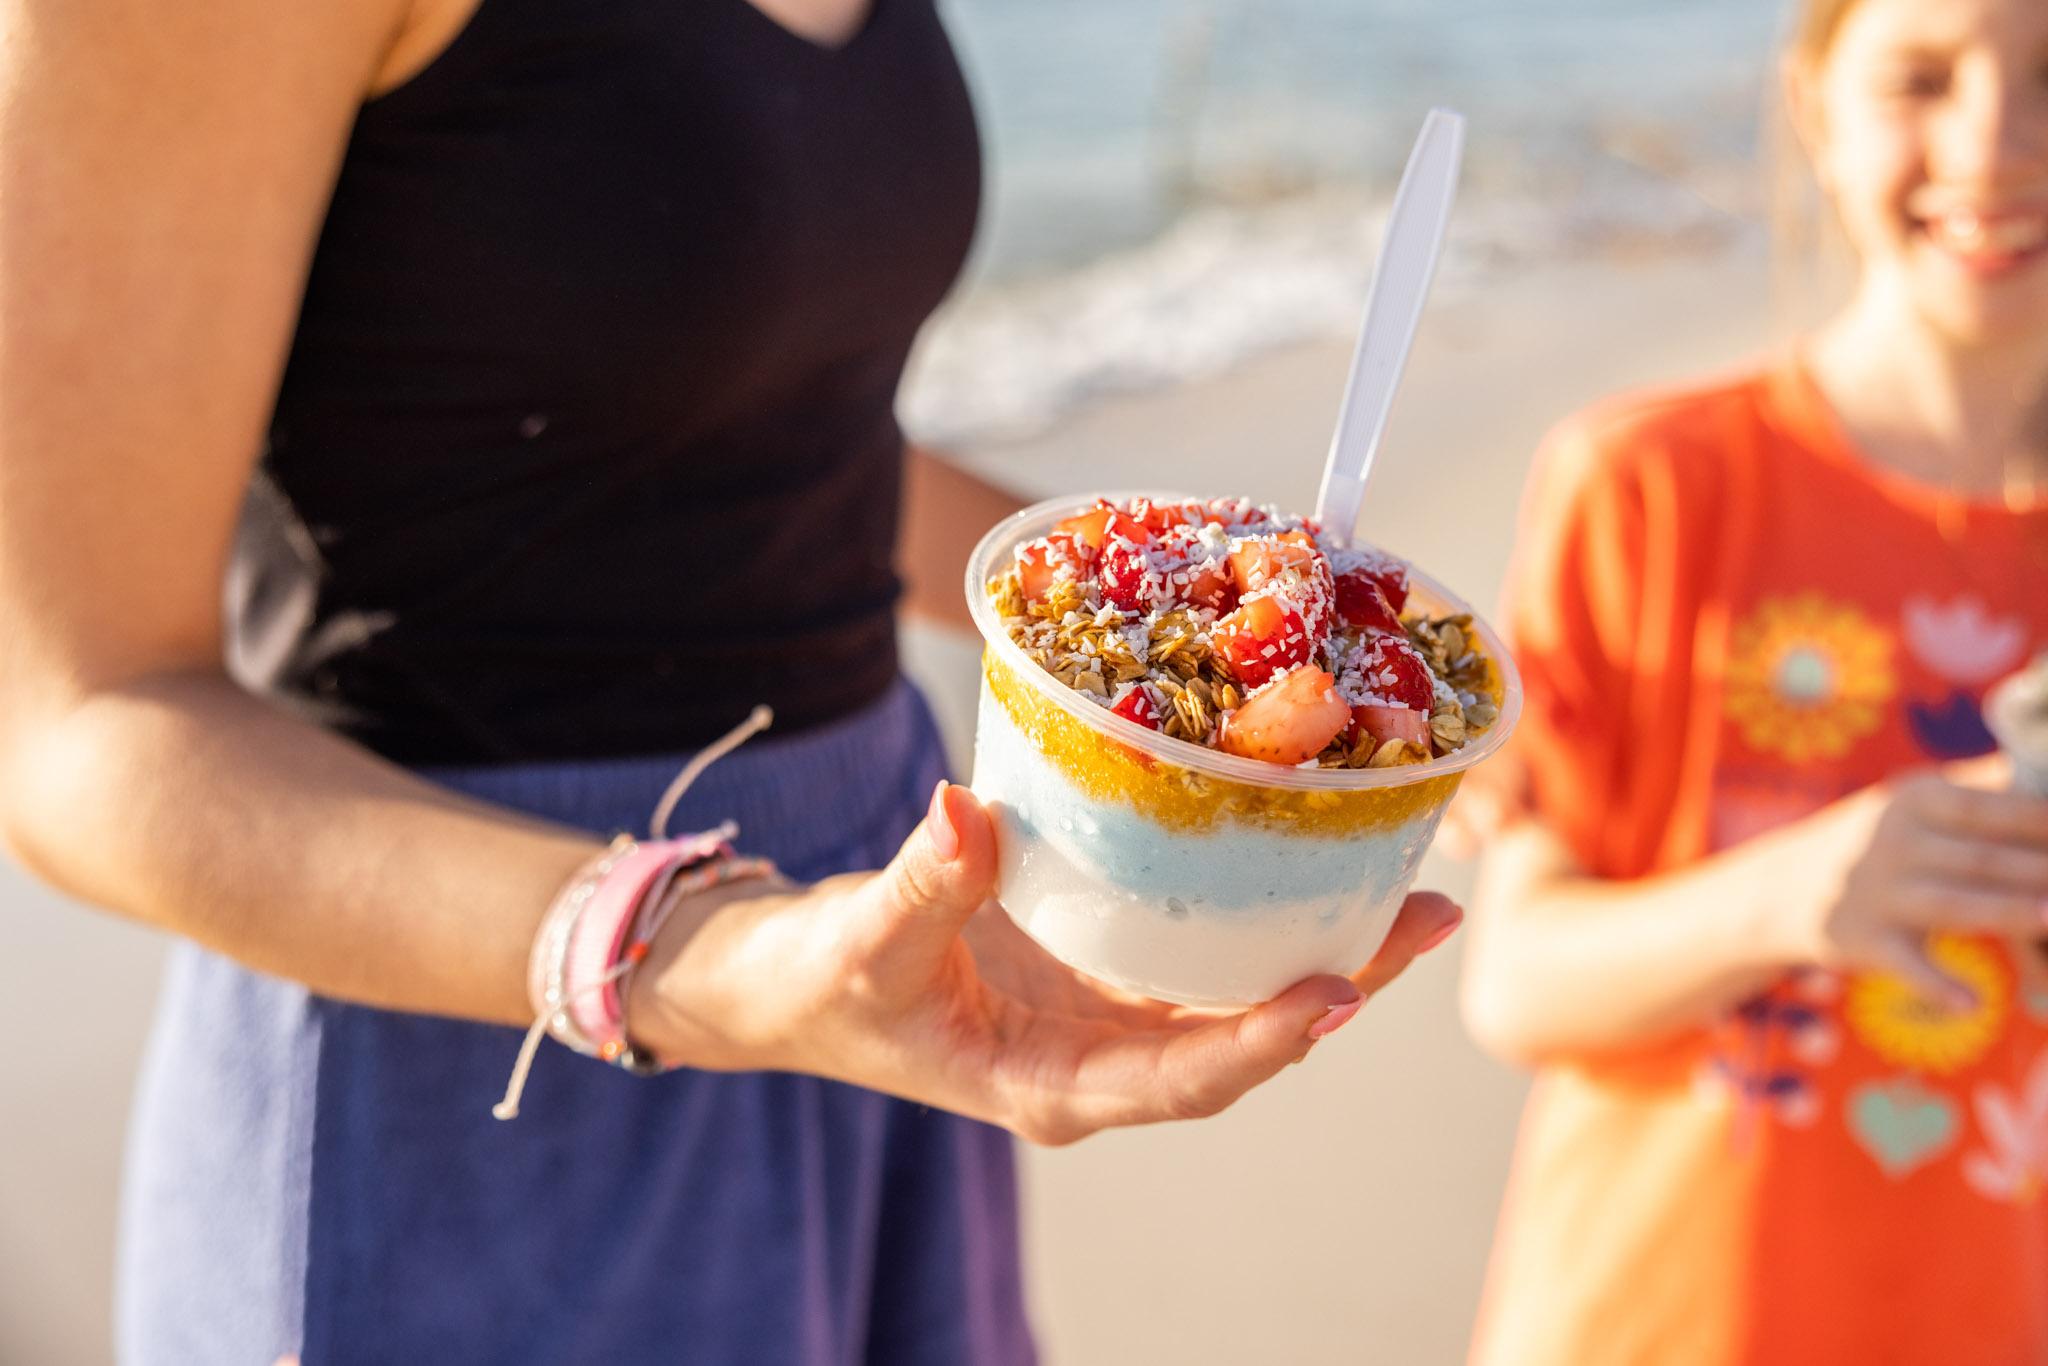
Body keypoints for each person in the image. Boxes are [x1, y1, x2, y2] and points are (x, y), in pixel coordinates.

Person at [0, 0, 1463, 1360]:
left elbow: (745, 418)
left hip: (880, 927)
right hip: (469, 1033)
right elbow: (74, 722)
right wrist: (702, 955)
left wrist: (1203, 640)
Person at [1461, 0, 2048, 1360]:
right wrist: (1794, 895)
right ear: (1815, 109)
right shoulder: (1650, 490)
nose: (1996, 141)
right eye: (1921, 77)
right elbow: (1518, 976)